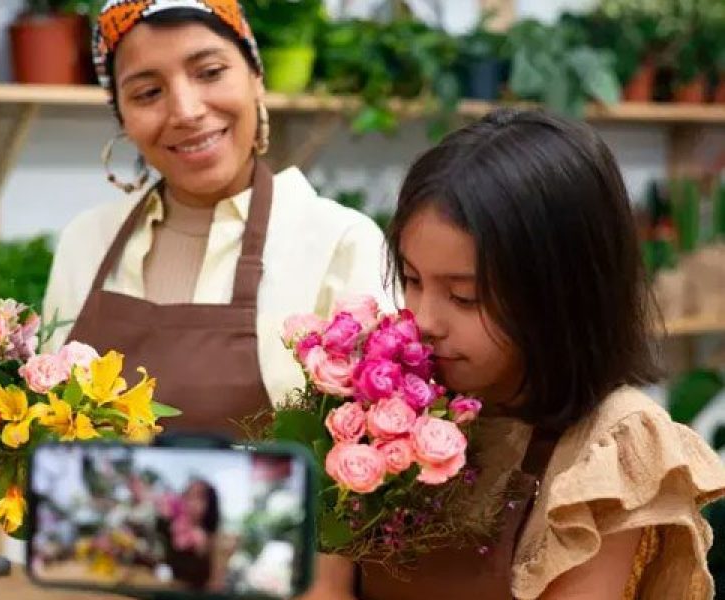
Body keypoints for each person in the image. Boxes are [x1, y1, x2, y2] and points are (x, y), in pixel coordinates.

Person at [308, 110, 725, 600]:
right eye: (412, 280)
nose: (423, 320)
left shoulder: (611, 445)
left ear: (561, 294)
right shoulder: (382, 402)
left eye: (464, 297)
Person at [42, 0, 392, 438]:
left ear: (256, 78)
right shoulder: (86, 242)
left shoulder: (339, 242)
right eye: (148, 93)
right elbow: (50, 432)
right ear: (123, 118)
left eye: (209, 72)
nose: (186, 111)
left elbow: (379, 451)